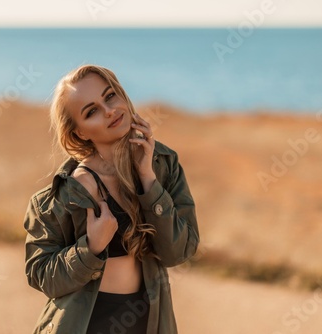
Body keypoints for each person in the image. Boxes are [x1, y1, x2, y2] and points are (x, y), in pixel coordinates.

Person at [23, 64, 199, 334]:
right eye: (91, 111)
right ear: (80, 132)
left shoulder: (163, 165)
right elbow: (42, 276)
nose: (109, 111)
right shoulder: (61, 197)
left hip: (148, 321)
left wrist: (148, 181)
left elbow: (179, 252)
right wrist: (90, 248)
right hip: (83, 325)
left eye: (110, 96)